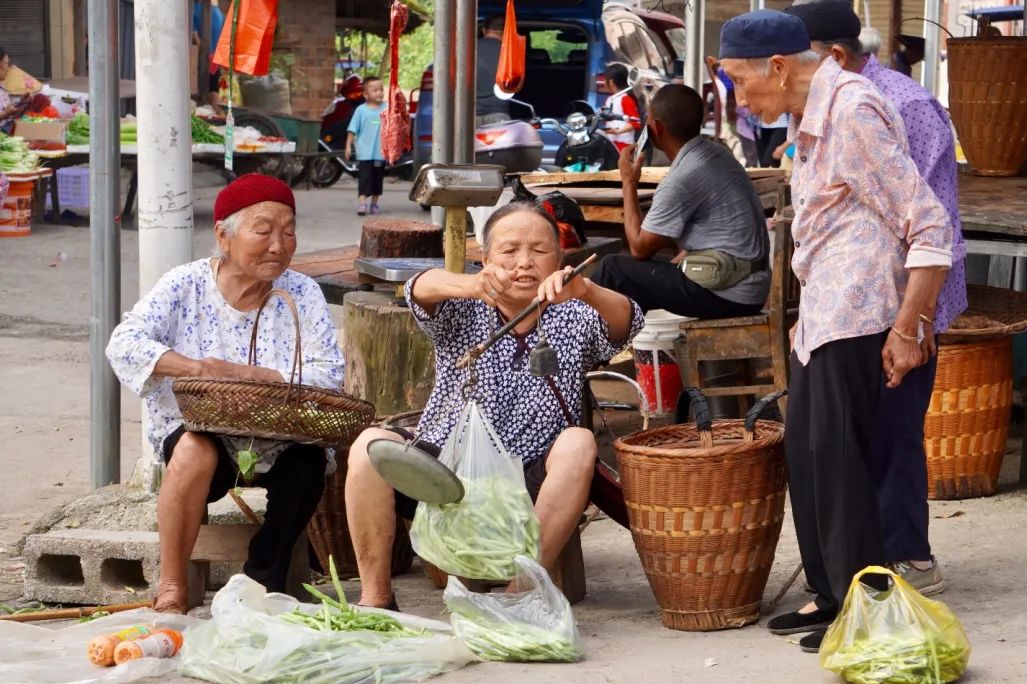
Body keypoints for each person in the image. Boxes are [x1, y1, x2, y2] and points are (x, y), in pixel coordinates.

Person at [719, 9, 953, 652]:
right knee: (814, 458)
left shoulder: (853, 109)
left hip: (863, 313)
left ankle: (861, 605)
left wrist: (911, 327)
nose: (739, 97)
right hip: (824, 314)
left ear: (776, 65)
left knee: (843, 463)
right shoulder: (811, 115)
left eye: (740, 81)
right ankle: (830, 594)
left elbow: (929, 226)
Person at [343, 202, 643, 609]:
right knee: (367, 446)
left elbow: (628, 323)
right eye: (508, 250)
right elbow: (418, 288)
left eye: (538, 251)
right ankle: (376, 598)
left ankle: (519, 596)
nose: (524, 262)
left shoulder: (574, 312)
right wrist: (470, 285)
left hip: (530, 482)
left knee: (579, 442)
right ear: (485, 259)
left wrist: (586, 289)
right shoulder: (462, 306)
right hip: (445, 475)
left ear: (558, 259)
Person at [785, 1, 965, 596]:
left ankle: (909, 559)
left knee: (892, 433)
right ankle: (863, 573)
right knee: (854, 443)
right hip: (854, 302)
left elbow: (929, 221)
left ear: (830, 56)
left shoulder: (896, 104)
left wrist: (919, 318)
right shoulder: (817, 106)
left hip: (903, 300)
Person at [106, 174, 345, 613]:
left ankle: (260, 583)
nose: (279, 244)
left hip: (282, 437)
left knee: (308, 462)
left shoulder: (302, 292)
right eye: (263, 230)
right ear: (224, 236)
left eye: (289, 230)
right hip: (201, 437)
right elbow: (124, 343)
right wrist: (198, 368)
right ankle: (173, 584)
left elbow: (329, 376)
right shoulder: (185, 285)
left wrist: (250, 376)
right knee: (197, 447)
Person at [591, 84, 770, 320]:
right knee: (643, 277)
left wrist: (629, 181)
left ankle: (576, 353)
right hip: (746, 284)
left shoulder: (682, 178)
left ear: (656, 127)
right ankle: (636, 348)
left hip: (730, 293)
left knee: (611, 270)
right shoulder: (717, 153)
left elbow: (639, 248)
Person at [345, 77, 387, 216]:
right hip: (364, 152)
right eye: (375, 90)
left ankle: (374, 204)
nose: (379, 92)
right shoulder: (360, 110)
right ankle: (362, 204)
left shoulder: (387, 108)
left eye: (381, 89)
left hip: (380, 152)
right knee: (364, 178)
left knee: (377, 179)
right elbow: (352, 129)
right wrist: (348, 146)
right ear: (366, 94)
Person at [476, 15, 510, 125]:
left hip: (466, 114)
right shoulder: (510, 53)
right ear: (505, 32)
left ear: (484, 30)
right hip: (497, 114)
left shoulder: (466, 48)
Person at [599, 63, 641, 152]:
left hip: (624, 144)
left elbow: (635, 122)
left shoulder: (625, 99)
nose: (603, 82)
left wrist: (618, 131)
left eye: (604, 79)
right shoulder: (610, 99)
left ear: (611, 82)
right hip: (611, 142)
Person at [192, 3, 225, 111]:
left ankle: (204, 112)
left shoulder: (194, 11)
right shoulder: (219, 13)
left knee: (202, 90)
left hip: (202, 58)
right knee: (213, 87)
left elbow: (195, 38)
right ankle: (218, 114)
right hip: (215, 57)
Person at [0, 49, 31, 134]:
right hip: (3, 130)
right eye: (6, 63)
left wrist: (22, 102)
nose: (8, 68)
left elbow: (11, 113)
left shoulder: (2, 87)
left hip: (9, 124)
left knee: (40, 99)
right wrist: (5, 113)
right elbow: (6, 113)